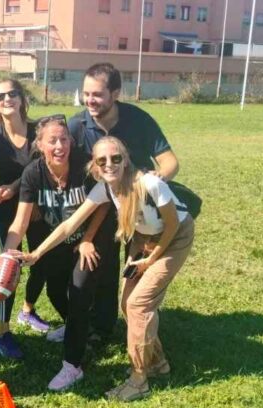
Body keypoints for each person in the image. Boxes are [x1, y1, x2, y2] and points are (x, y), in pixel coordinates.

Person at [20, 135, 194, 400]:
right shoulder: (105, 188)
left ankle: (138, 381)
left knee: (138, 305)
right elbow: (69, 226)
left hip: (175, 237)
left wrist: (151, 259)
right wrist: (36, 253)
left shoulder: (150, 183)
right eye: (102, 161)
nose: (109, 164)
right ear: (95, 167)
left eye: (116, 158)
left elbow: (172, 225)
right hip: (145, 238)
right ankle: (157, 363)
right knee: (127, 304)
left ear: (126, 161)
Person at [68, 62, 180, 341]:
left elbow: (170, 163)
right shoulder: (77, 125)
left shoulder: (138, 119)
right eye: (86, 94)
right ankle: (102, 327)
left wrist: (152, 184)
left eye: (97, 94)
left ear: (116, 93)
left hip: (141, 211)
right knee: (103, 267)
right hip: (101, 207)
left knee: (139, 268)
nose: (90, 100)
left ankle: (140, 325)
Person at [3, 115, 109, 391]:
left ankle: (73, 365)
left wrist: (88, 238)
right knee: (54, 292)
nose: (60, 146)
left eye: (64, 139)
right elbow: (20, 222)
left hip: (88, 240)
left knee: (79, 289)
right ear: (40, 144)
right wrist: (6, 253)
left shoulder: (85, 165)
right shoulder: (33, 173)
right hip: (57, 240)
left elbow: (104, 202)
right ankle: (77, 327)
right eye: (52, 141)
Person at [0, 78, 50, 360]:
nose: (7, 99)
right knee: (8, 269)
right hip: (6, 210)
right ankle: (3, 334)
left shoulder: (39, 131)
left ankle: (28, 310)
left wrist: (16, 187)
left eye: (12, 93)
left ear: (23, 98)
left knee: (41, 262)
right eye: (0, 96)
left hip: (37, 207)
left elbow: (44, 166)